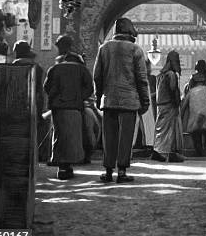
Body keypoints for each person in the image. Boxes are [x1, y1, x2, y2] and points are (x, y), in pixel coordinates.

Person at [93, 18, 150, 183]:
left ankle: (108, 171)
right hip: (129, 101)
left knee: (109, 136)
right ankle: (122, 171)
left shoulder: (103, 49)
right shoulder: (136, 50)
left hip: (109, 100)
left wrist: (98, 97)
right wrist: (145, 101)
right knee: (125, 136)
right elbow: (141, 79)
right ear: (130, 32)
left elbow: (97, 76)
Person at [43, 34, 94, 180]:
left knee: (59, 136)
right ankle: (68, 166)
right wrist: (79, 97)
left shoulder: (55, 69)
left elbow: (46, 87)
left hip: (58, 108)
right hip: (75, 108)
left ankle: (61, 167)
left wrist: (56, 98)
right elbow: (89, 89)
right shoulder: (82, 69)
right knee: (73, 138)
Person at [12, 40, 49, 162]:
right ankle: (32, 155)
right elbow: (40, 91)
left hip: (15, 105)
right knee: (32, 132)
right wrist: (40, 108)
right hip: (33, 104)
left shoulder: (12, 67)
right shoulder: (37, 68)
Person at [152, 50, 185, 163]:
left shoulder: (161, 75)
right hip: (169, 105)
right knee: (169, 130)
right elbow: (173, 89)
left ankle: (158, 151)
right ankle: (168, 154)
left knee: (160, 129)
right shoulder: (171, 74)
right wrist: (177, 102)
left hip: (161, 105)